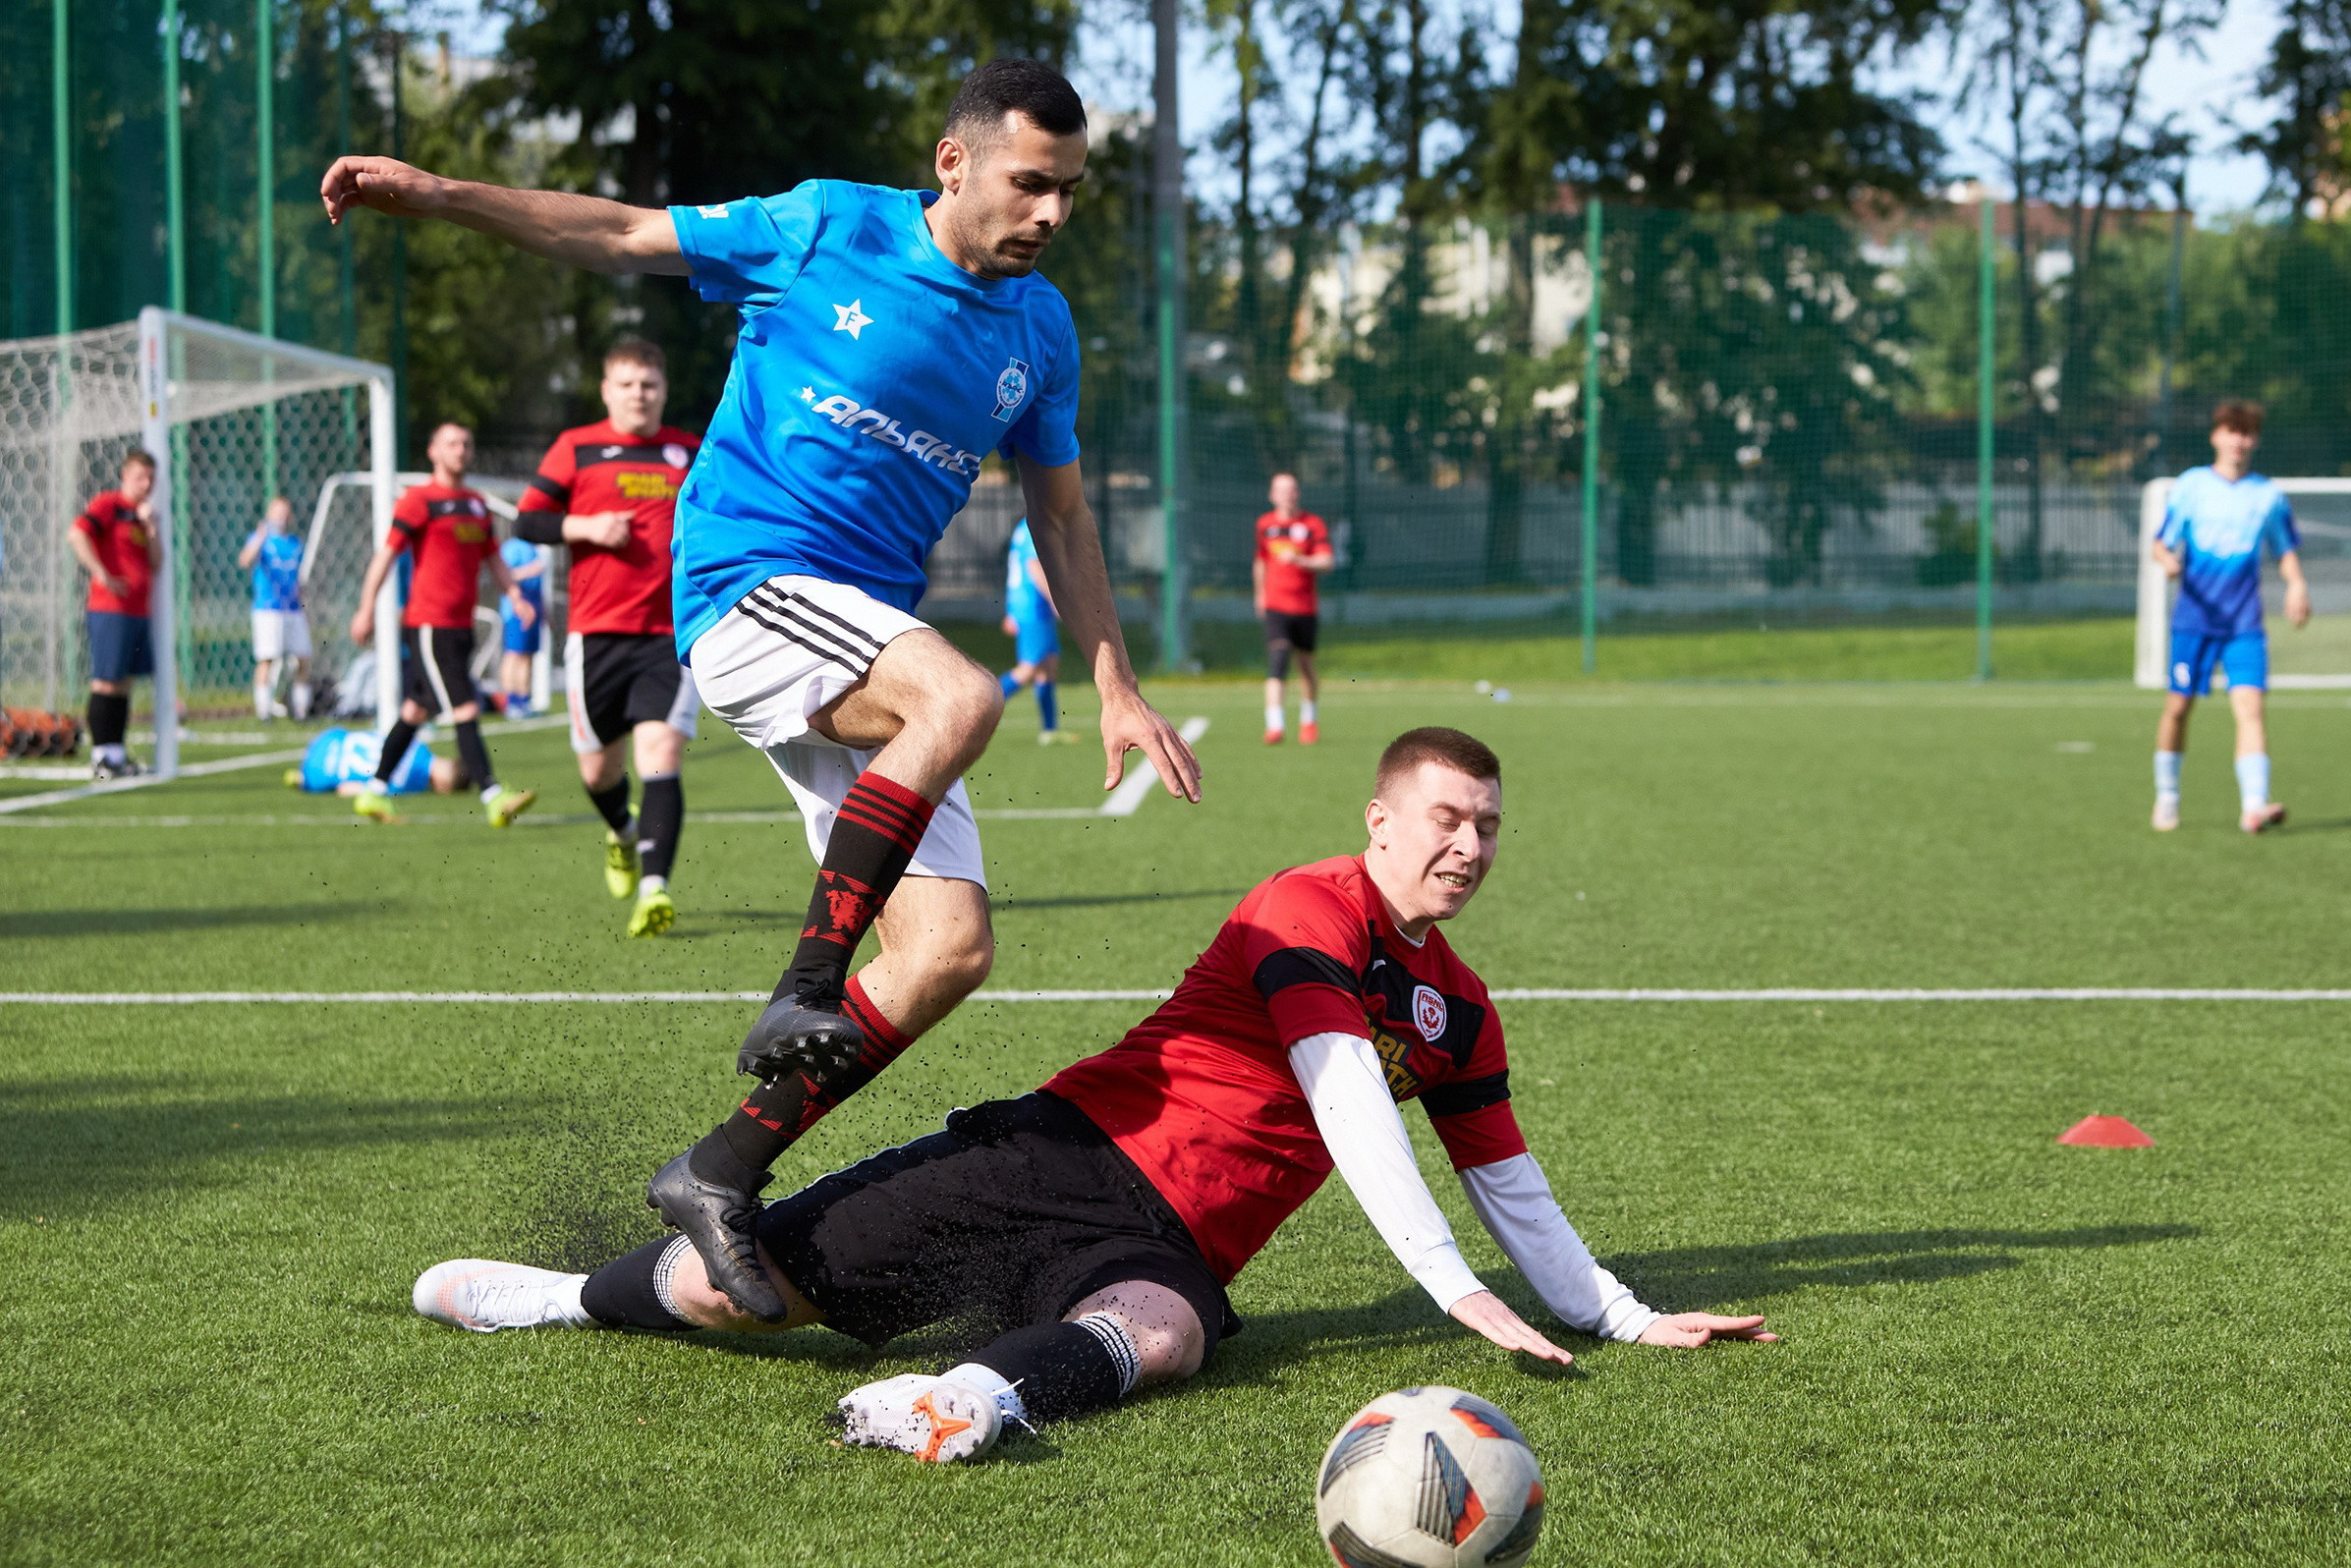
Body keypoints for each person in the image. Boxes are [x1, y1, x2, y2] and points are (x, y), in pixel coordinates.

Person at [323, 57, 1202, 1320]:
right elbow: (622, 231)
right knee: (960, 699)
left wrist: (1116, 682)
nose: (1052, 214)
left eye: (1070, 191)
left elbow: (1060, 518)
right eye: (1030, 185)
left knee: (951, 952)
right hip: (744, 584)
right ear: (954, 165)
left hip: (861, 634)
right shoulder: (824, 225)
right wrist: (436, 193)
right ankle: (805, 979)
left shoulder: (1041, 329)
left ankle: (720, 1167)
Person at [413, 727, 1773, 1463]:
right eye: (1443, 819)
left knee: (1163, 1337)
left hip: (1168, 1244)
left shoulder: (1459, 1005)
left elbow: (1508, 1181)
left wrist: (1624, 1316)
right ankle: (553, 1295)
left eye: (1486, 827)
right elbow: (1344, 1092)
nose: (1466, 846)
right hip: (1061, 1156)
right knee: (738, 1293)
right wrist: (1455, 1294)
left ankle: (964, 1403)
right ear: (1379, 820)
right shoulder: (1304, 908)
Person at [512, 338, 702, 939]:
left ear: (663, 390)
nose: (638, 395)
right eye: (627, 384)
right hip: (594, 635)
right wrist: (585, 525)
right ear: (606, 390)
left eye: (648, 384)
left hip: (669, 635)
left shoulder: (687, 451)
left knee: (661, 757)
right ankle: (621, 832)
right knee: (597, 773)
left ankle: (654, 889)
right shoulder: (578, 447)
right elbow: (528, 520)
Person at [348, 421, 539, 828]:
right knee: (465, 707)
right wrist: (366, 608)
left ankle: (374, 791)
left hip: (460, 627)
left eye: (467, 443)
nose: (461, 449)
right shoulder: (419, 500)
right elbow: (385, 556)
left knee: (415, 710)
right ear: (433, 451)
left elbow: (494, 560)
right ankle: (492, 794)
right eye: (452, 443)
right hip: (429, 625)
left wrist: (516, 596)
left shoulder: (476, 504)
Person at [2152, 399, 2310, 834]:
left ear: (2255, 440)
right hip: (2195, 621)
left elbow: (2286, 550)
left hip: (2244, 625)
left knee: (2250, 708)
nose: (2240, 440)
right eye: (2233, 431)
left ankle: (2253, 806)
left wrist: (2296, 584)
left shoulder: (2267, 496)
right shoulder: (2192, 486)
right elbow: (2161, 542)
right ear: (2216, 435)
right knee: (2179, 708)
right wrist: (2166, 561)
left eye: (2248, 433)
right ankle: (2168, 795)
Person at [68, 449, 163, 780]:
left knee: (123, 683)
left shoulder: (143, 515)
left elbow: (156, 564)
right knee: (106, 681)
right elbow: (77, 532)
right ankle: (100, 757)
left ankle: (116, 755)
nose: (146, 483)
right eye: (140, 476)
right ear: (125, 476)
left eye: (151, 478)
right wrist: (101, 572)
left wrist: (151, 528)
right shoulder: (110, 504)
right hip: (111, 609)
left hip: (138, 613)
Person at [1253, 472, 1333, 746]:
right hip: (1276, 605)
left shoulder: (1313, 524)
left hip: (1305, 607)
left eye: (1292, 489)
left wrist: (1299, 559)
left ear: (1298, 493)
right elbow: (1261, 561)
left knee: (1305, 665)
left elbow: (1326, 562)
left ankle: (1309, 721)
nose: (1288, 495)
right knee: (1278, 656)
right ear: (1272, 495)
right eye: (1282, 490)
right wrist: (1259, 595)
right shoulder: (1265, 524)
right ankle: (1274, 725)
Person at [239, 496, 313, 721]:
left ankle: (301, 709)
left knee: (304, 658)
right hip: (268, 609)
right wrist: (260, 539)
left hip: (292, 609)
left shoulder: (295, 544)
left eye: (285, 512)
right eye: (277, 512)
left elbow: (299, 581)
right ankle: (263, 710)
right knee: (267, 658)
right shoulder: (260, 540)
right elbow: (244, 561)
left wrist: (303, 606)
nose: (281, 516)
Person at [998, 517, 1072, 744]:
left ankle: (1050, 730)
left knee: (1048, 665)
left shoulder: (1024, 525)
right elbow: (1033, 565)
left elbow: (1016, 568)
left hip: (1026, 605)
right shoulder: (1035, 525)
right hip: (1034, 606)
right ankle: (976, 705)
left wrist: (1011, 609)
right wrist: (1055, 600)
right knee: (1028, 668)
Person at [286, 725, 466, 797]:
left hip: (328, 737)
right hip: (319, 773)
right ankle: (301, 780)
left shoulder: (418, 745)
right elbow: (346, 790)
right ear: (442, 787)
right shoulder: (412, 783)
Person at [496, 533, 546, 720]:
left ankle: (524, 701)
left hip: (534, 609)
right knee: (514, 654)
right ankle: (512, 702)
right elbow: (505, 576)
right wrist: (530, 571)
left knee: (527, 656)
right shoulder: (512, 547)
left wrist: (545, 613)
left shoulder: (534, 547)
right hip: (515, 612)